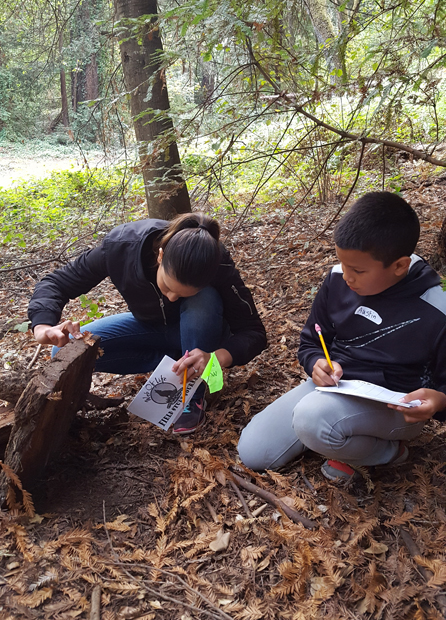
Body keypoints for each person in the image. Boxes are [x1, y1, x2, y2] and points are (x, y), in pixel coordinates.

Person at [238, 192, 446, 482]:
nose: (347, 276)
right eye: (343, 264)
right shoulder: (337, 280)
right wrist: (316, 364)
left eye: (358, 270)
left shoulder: (435, 310)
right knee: (254, 453)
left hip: (393, 407)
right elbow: (312, 341)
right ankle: (332, 435)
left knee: (312, 418)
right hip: (336, 389)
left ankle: (387, 452)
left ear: (399, 266)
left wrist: (439, 400)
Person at [29, 213, 267, 434]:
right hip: (150, 326)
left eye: (183, 294)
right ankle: (175, 366)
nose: (172, 298)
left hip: (204, 335)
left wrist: (215, 358)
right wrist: (42, 327)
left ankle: (193, 391)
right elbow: (56, 283)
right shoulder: (121, 247)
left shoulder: (215, 261)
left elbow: (253, 332)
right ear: (160, 256)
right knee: (63, 349)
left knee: (203, 299)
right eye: (168, 288)